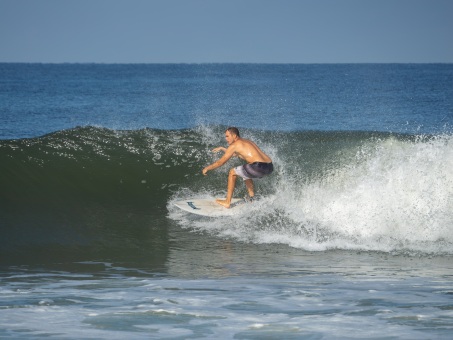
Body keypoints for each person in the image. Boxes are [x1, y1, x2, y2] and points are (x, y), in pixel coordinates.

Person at [202, 127, 273, 208]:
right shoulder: (247, 142)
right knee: (244, 172)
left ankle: (227, 202)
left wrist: (207, 168)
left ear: (234, 135)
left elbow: (221, 162)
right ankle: (252, 198)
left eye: (227, 136)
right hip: (269, 166)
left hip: (258, 167)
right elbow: (236, 154)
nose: (226, 139)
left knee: (232, 172)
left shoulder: (234, 145)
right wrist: (222, 148)